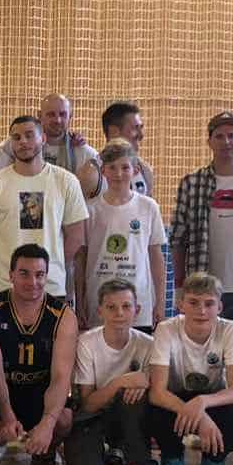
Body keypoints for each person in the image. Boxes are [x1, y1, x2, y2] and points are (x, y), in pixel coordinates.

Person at [168, 111, 233, 346]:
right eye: (219, 136)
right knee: (201, 353)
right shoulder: (191, 183)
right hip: (202, 292)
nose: (226, 141)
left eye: (232, 136)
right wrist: (180, 285)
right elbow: (178, 239)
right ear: (209, 142)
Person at [0, 244, 78, 465]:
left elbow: (61, 377)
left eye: (39, 275)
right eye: (24, 273)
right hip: (0, 393)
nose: (32, 282)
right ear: (10, 275)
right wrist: (7, 417)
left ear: (47, 276)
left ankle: (44, 456)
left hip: (39, 394)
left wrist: (47, 423)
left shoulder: (63, 315)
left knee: (64, 418)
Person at [146, 272, 233, 465]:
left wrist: (202, 403)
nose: (201, 310)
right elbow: (157, 392)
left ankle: (214, 463)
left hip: (212, 399)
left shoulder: (229, 329)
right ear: (181, 304)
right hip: (175, 399)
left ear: (220, 307)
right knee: (154, 410)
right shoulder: (166, 329)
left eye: (209, 304)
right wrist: (200, 418)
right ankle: (172, 458)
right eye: (193, 302)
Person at [0, 115, 89, 307]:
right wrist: (1, 270)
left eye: (29, 135)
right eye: (16, 138)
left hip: (51, 288)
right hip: (4, 288)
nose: (23, 142)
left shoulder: (66, 181)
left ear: (43, 139)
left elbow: (75, 237)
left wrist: (50, 266)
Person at [65, 279, 154, 465]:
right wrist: (120, 382)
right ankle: (102, 449)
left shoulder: (148, 344)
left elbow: (149, 386)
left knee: (134, 397)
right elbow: (88, 404)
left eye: (126, 306)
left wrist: (133, 386)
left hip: (130, 414)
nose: (119, 313)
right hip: (95, 415)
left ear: (137, 310)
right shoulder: (86, 343)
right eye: (111, 307)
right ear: (100, 311)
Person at [76, 141, 166, 329]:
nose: (118, 174)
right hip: (99, 301)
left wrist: (160, 301)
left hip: (139, 303)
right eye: (112, 167)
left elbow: (156, 257)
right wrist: (80, 298)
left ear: (135, 170)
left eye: (125, 167)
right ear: (103, 171)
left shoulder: (149, 207)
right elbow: (81, 258)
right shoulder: (90, 209)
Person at [39, 94, 101, 197]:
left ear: (70, 116)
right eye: (51, 114)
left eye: (63, 114)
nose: (57, 120)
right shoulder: (25, 150)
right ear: (40, 115)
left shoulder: (86, 154)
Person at [100, 102, 156, 197]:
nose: (141, 135)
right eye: (135, 128)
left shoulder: (145, 170)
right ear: (114, 131)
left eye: (141, 127)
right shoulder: (92, 173)